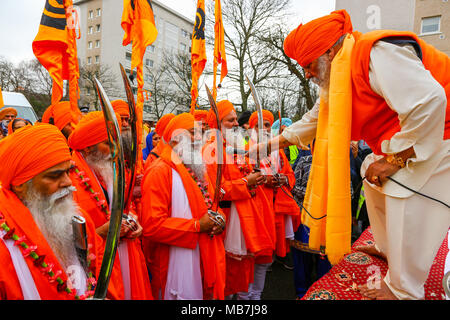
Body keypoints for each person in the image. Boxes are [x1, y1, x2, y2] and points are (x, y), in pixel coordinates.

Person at [253, 9, 450, 300]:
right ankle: (386, 249)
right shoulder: (339, 75)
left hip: (440, 133)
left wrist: (395, 159)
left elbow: (430, 102)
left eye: (308, 65)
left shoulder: (374, 54)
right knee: (370, 173)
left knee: (399, 187)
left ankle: (404, 290)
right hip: (407, 139)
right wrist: (267, 145)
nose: (306, 74)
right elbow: (314, 120)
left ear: (330, 52)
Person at [0, 124, 122, 299]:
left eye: (68, 172)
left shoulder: (76, 217)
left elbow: (104, 269)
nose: (67, 182)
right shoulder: (4, 242)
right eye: (54, 176)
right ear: (20, 184)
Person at [68, 111, 153, 300]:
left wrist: (134, 221)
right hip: (98, 265)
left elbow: (123, 207)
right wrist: (102, 231)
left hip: (126, 254)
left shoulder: (108, 170)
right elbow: (67, 241)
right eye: (108, 143)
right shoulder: (69, 180)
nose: (116, 149)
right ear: (88, 148)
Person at [140, 113, 226, 300]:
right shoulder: (159, 171)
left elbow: (211, 203)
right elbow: (151, 226)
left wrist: (220, 218)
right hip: (174, 262)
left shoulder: (196, 167)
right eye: (191, 133)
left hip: (202, 253)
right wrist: (196, 226)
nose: (198, 139)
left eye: (200, 133)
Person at [203, 100, 275, 299]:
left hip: (243, 219)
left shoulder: (234, 147)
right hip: (225, 222)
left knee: (240, 277)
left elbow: (243, 174)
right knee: (224, 278)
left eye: (236, 120)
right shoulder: (211, 149)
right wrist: (246, 181)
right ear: (216, 124)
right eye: (230, 120)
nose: (236, 124)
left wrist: (255, 177)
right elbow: (216, 190)